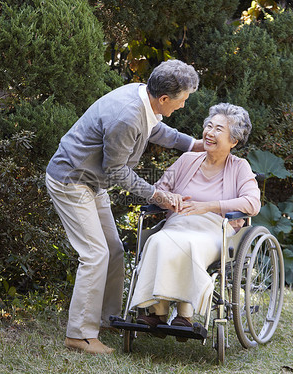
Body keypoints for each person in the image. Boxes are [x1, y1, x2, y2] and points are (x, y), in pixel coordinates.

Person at [45, 60, 203, 354]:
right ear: (165, 98)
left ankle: (105, 320)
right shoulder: (128, 116)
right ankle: (79, 335)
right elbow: (117, 171)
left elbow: (157, 132)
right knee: (95, 254)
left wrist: (193, 144)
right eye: (183, 100)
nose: (183, 106)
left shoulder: (144, 97)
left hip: (92, 182)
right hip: (72, 181)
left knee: (114, 250)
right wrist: (158, 195)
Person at [130, 103, 261, 336]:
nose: (210, 133)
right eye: (209, 126)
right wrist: (168, 199)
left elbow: (252, 203)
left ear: (234, 141)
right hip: (178, 222)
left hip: (214, 229)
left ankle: (184, 315)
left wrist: (208, 206)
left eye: (219, 129)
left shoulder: (240, 167)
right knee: (158, 241)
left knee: (189, 246)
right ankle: (157, 313)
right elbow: (159, 190)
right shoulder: (187, 160)